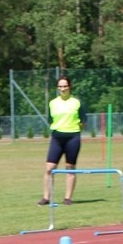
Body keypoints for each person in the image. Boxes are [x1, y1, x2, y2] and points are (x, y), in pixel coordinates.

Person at [40, 76, 84, 206]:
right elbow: (50, 120)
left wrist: (72, 129)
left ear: (70, 87)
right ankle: (46, 197)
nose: (63, 88)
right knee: (49, 168)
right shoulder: (53, 103)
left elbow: (83, 121)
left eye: (65, 86)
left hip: (73, 137)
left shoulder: (77, 102)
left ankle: (68, 198)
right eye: (60, 86)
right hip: (57, 138)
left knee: (70, 168)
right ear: (57, 88)